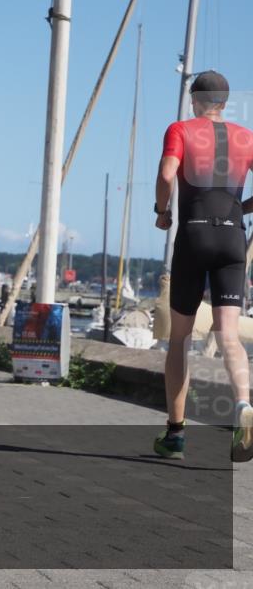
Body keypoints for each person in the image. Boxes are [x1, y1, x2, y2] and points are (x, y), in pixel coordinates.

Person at [153, 70, 253, 462]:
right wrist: (240, 210)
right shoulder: (245, 136)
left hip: (193, 236)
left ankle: (175, 436)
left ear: (194, 100)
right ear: (224, 104)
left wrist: (162, 212)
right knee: (228, 334)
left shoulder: (180, 129)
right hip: (232, 238)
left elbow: (165, 175)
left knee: (180, 338)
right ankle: (244, 403)